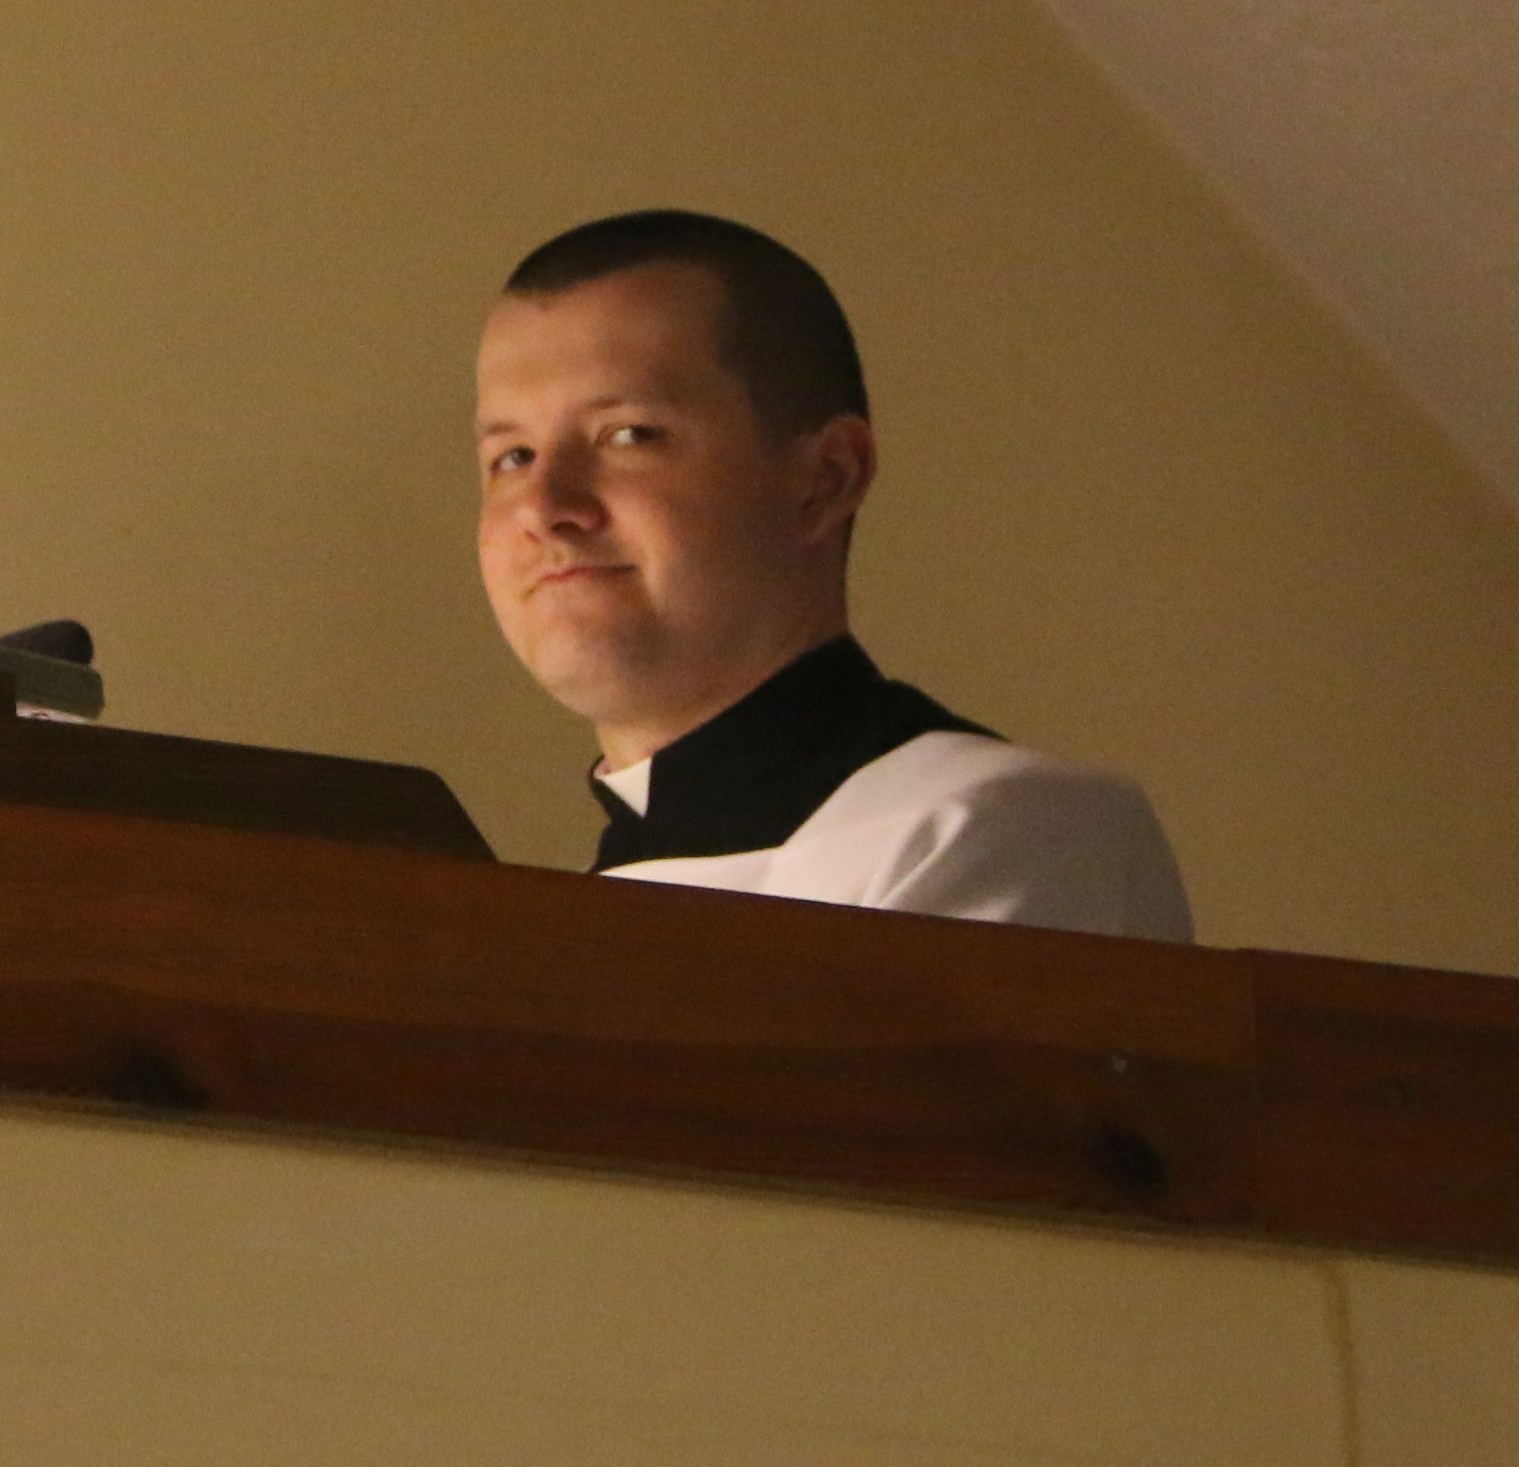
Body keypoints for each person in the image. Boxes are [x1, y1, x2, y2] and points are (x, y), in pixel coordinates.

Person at [475, 208, 1192, 937]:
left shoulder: (1006, 829)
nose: (545, 507)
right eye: (512, 456)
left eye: (630, 435)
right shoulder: (529, 926)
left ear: (825, 480)